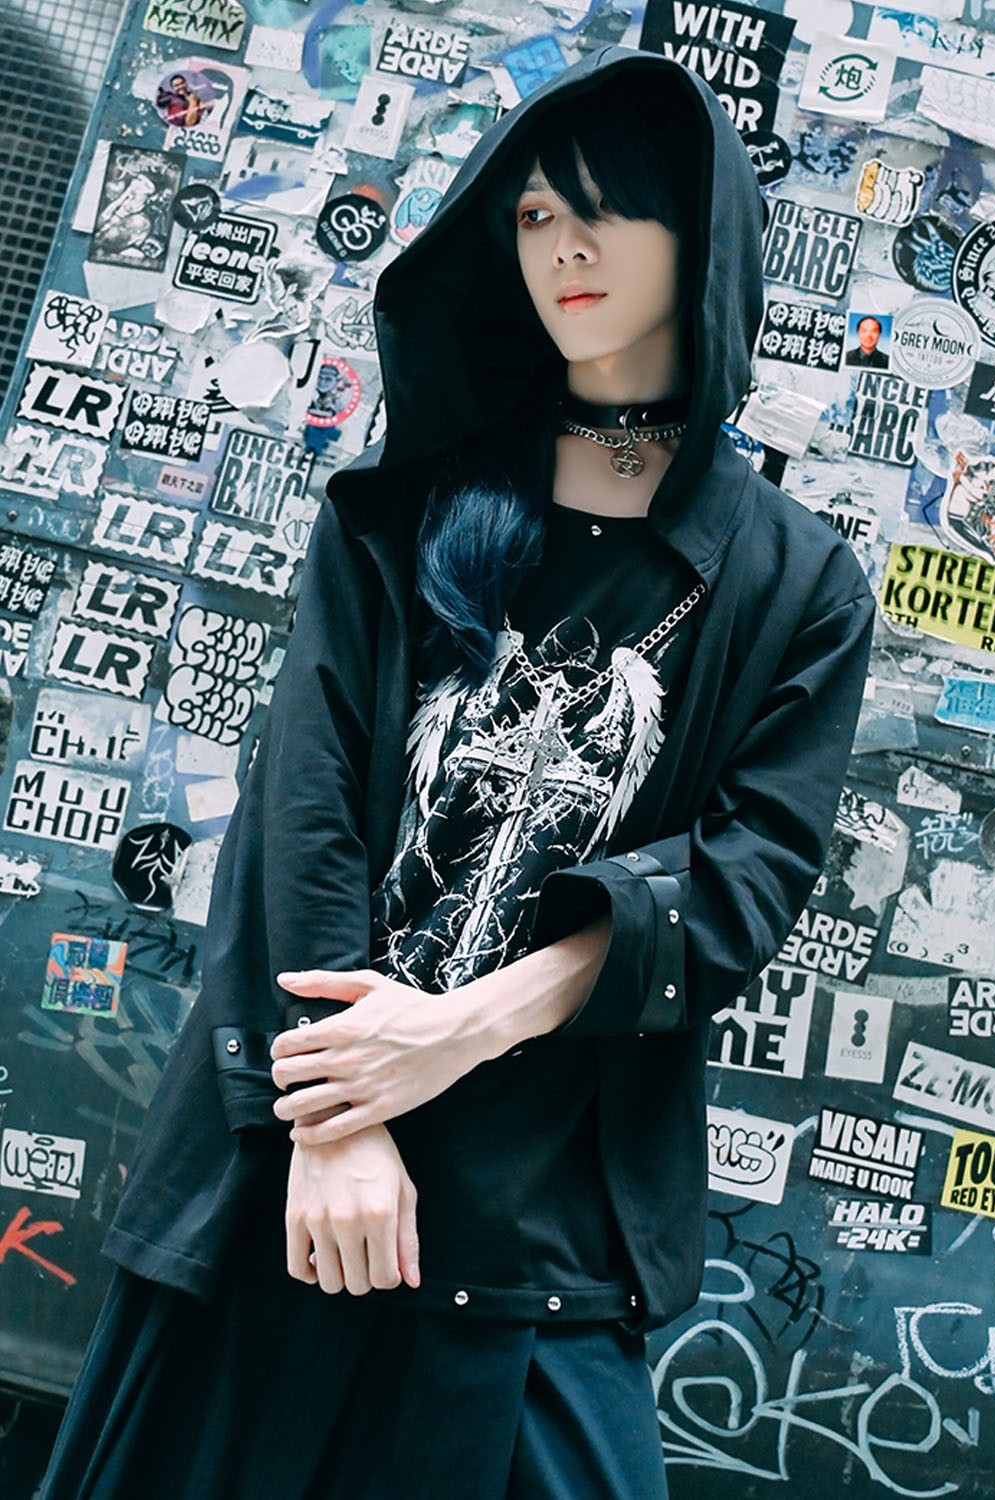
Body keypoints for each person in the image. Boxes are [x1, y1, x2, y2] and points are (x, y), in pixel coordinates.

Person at [39, 45, 875, 1500]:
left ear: (704, 239)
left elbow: (738, 889)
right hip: (290, 1165)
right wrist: (342, 1118)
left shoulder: (795, 584)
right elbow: (304, 811)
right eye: (537, 214)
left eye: (607, 211)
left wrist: (455, 1031)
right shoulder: (408, 504)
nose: (565, 250)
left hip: (539, 1217)